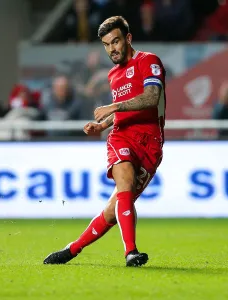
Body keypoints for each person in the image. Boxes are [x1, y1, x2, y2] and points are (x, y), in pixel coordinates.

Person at [43, 16, 166, 267]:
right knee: (125, 180)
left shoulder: (149, 61)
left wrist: (113, 106)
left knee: (115, 208)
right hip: (121, 135)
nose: (112, 49)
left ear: (128, 39)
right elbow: (123, 112)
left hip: (150, 143)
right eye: (107, 44)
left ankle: (73, 248)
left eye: (116, 41)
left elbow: (151, 98)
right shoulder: (113, 74)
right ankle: (131, 252)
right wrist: (103, 125)